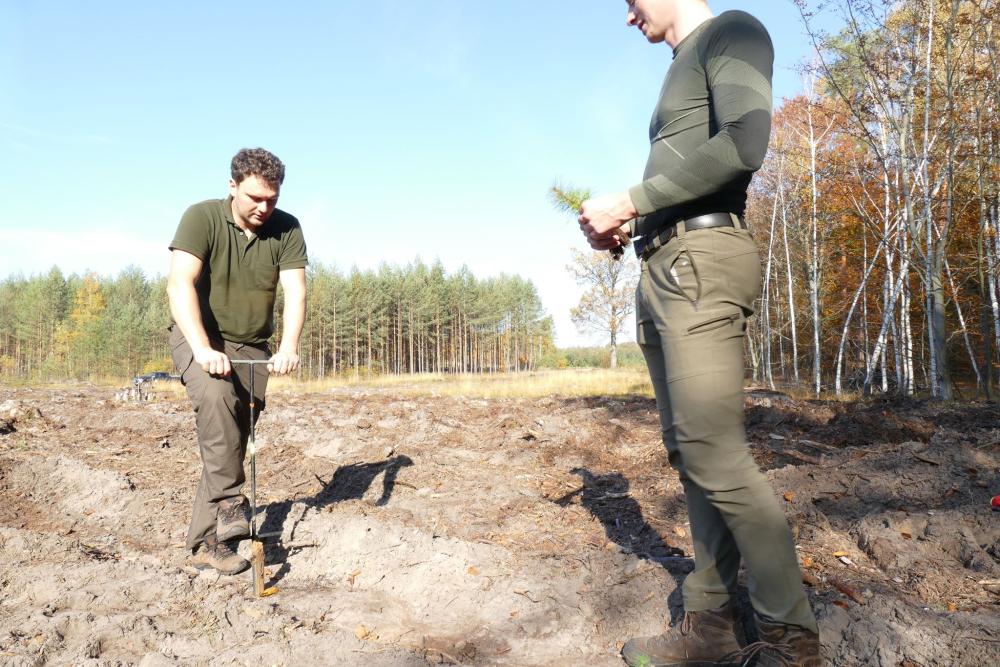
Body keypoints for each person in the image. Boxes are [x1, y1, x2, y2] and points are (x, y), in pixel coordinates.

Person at [577, 2, 821, 665]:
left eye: (630, 2)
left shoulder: (732, 31)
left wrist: (631, 198)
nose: (629, 17)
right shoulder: (681, 63)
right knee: (691, 455)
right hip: (662, 263)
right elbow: (688, 172)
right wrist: (630, 225)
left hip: (703, 264)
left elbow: (745, 143)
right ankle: (709, 626)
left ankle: (790, 639)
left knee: (716, 451)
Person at [167, 147, 308, 575]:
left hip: (254, 349)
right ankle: (231, 502)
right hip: (200, 336)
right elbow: (179, 284)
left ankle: (206, 544)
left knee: (229, 439)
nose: (264, 208)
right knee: (216, 400)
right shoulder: (202, 217)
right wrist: (204, 348)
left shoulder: (287, 229)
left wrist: (288, 346)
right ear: (233, 187)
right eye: (254, 198)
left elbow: (296, 291)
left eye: (272, 199)